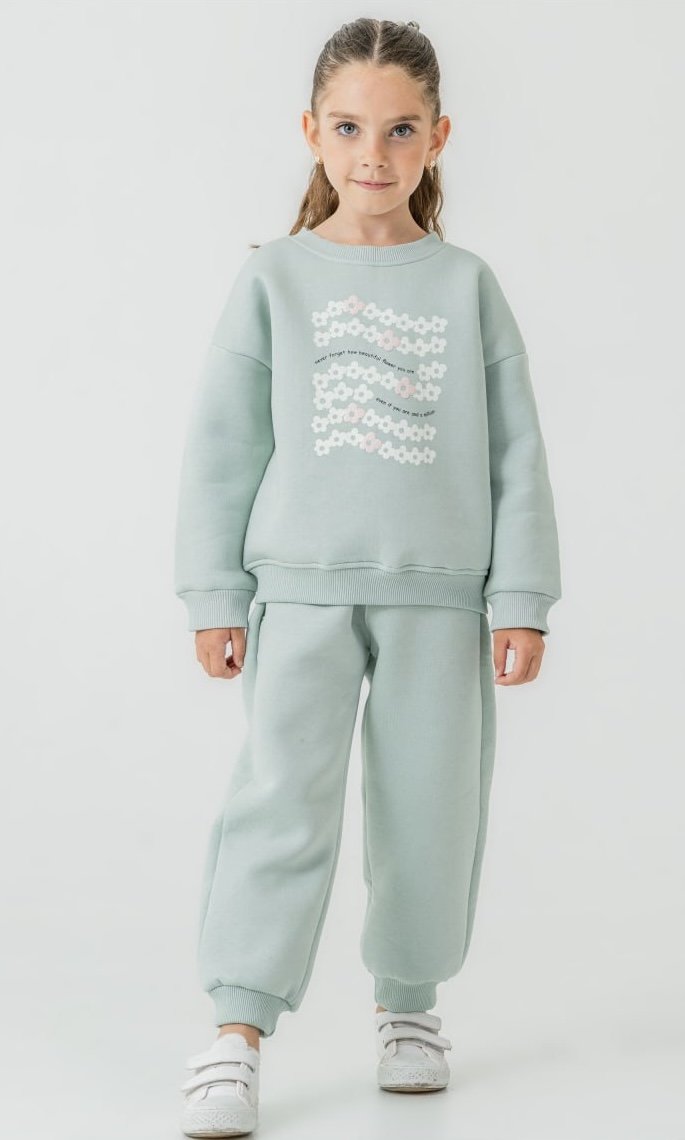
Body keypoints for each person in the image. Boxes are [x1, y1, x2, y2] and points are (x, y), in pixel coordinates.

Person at [175, 16, 562, 1137]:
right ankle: (236, 1029)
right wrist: (213, 592)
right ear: (311, 132)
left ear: (438, 136)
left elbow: (517, 453)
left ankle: (409, 1006)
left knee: (430, 809)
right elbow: (223, 445)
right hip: (297, 592)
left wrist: (521, 597)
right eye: (348, 128)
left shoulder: (468, 286)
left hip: (440, 599)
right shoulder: (273, 281)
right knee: (278, 803)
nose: (373, 155)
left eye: (399, 130)